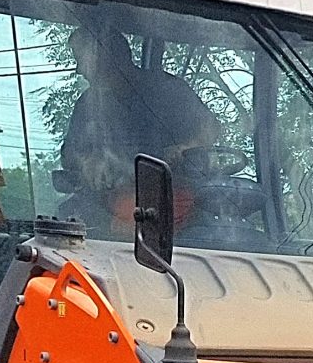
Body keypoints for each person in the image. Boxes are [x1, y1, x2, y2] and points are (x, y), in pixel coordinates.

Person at [55, 25, 221, 234]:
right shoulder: (87, 104)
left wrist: (186, 147)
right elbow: (70, 155)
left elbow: (211, 128)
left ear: (107, 58)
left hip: (171, 204)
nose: (78, 70)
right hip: (107, 205)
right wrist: (86, 160)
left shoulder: (169, 90)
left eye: (81, 60)